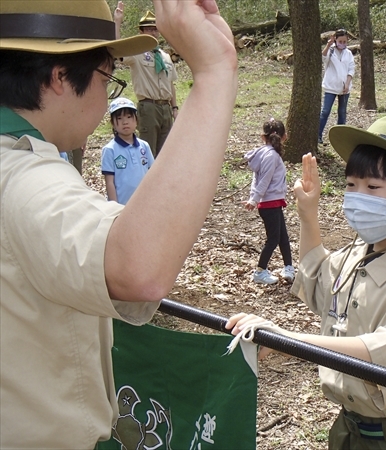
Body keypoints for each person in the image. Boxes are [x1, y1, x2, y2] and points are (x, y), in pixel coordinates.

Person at [0, 0, 238, 447]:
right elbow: (138, 268)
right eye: (108, 77)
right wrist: (213, 73)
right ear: (59, 78)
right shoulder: (22, 179)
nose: (110, 97)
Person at [227, 113, 386, 449]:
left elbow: (383, 350)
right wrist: (308, 213)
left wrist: (286, 338)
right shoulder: (358, 252)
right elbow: (319, 282)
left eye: (373, 187)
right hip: (351, 432)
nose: (358, 197)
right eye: (351, 185)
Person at [114, 2, 178, 158]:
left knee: (165, 154)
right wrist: (117, 22)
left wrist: (174, 108)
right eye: (149, 29)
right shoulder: (136, 53)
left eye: (155, 29)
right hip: (148, 107)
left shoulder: (165, 56)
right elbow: (118, 50)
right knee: (148, 152)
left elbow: (171, 83)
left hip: (165, 108)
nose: (153, 33)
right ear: (141, 32)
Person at [243, 118, 295, 285]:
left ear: (262, 137)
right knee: (273, 238)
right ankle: (259, 271)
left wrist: (254, 197)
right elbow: (263, 180)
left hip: (273, 202)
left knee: (282, 237)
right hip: (269, 203)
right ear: (284, 136)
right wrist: (254, 199)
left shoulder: (264, 154)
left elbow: (256, 179)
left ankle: (288, 267)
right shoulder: (271, 156)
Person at [102, 97, 154, 205]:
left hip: (145, 203)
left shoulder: (144, 146)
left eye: (129, 117)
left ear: (136, 120)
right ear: (113, 123)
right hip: (122, 206)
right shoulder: (110, 150)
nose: (125, 122)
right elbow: (109, 182)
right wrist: (114, 207)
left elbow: (152, 175)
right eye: (119, 118)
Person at [318, 29, 355, 144]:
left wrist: (347, 84)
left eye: (345, 41)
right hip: (331, 87)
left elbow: (351, 69)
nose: (342, 43)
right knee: (325, 111)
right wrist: (329, 44)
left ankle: (340, 138)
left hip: (344, 88)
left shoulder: (348, 53)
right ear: (336, 40)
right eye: (340, 41)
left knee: (342, 112)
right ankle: (318, 135)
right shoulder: (331, 50)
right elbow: (323, 58)